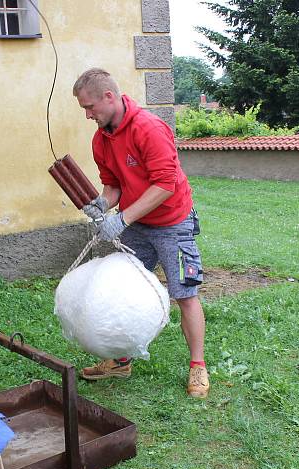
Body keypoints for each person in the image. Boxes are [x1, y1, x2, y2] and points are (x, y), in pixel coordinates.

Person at [72, 67, 209, 399]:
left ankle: (198, 366)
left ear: (109, 96)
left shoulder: (149, 128)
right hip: (137, 224)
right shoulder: (101, 139)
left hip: (173, 222)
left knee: (185, 294)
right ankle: (121, 360)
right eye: (84, 110)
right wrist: (102, 204)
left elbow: (164, 184)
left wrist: (122, 219)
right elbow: (114, 185)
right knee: (124, 289)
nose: (88, 115)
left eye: (90, 107)